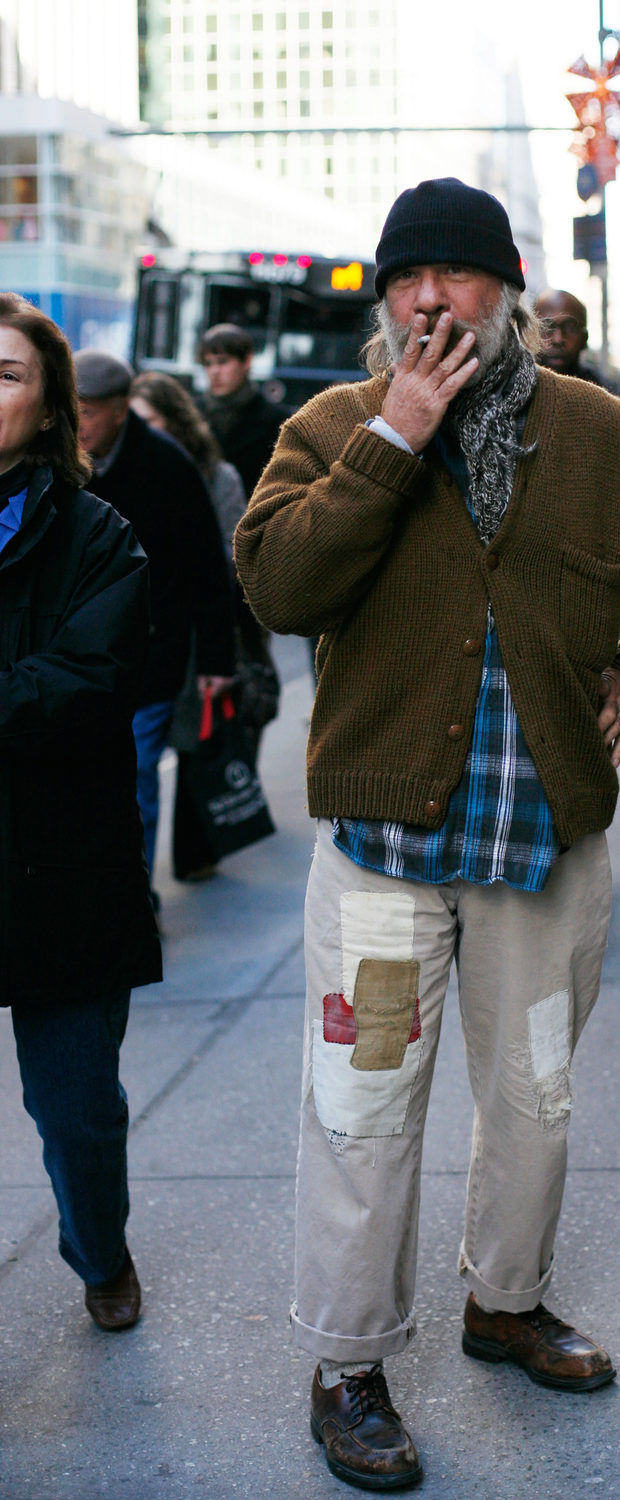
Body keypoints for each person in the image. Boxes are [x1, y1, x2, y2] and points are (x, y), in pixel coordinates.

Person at [235, 175, 620, 1493]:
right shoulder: (336, 423)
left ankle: (503, 1301)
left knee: (534, 1099)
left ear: (504, 288)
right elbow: (281, 581)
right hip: (385, 869)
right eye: (406, 279)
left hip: (539, 851)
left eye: (454, 276)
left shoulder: (600, 431)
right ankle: (348, 1362)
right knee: (363, 1114)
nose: (427, 299)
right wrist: (395, 437)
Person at [0, 294, 161, 1332]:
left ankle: (101, 1252)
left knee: (76, 1114)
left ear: (51, 408)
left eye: (6, 374)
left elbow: (87, 681)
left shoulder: (97, 533)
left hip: (57, 870)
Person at [75, 352, 235, 896]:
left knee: (135, 779)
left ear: (121, 409)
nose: (78, 425)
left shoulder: (166, 466)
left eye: (89, 412)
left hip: (147, 656)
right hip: (70, 652)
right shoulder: (56, 458)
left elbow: (208, 569)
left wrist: (217, 662)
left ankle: (133, 900)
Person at [130, 370, 279, 882]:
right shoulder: (125, 469)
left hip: (206, 633)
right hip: (156, 637)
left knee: (201, 745)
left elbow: (231, 559)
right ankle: (140, 880)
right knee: (141, 761)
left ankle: (196, 851)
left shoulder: (215, 475)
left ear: (173, 419)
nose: (139, 430)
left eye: (148, 419)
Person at [197, 322, 289, 501]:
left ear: (246, 361)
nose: (214, 371)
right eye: (208, 364)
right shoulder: (192, 415)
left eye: (223, 362)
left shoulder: (276, 420)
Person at [534, 288, 620, 392]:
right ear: (529, 334)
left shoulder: (605, 394)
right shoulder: (512, 387)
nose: (558, 339)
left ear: (584, 339)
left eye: (570, 328)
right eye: (546, 327)